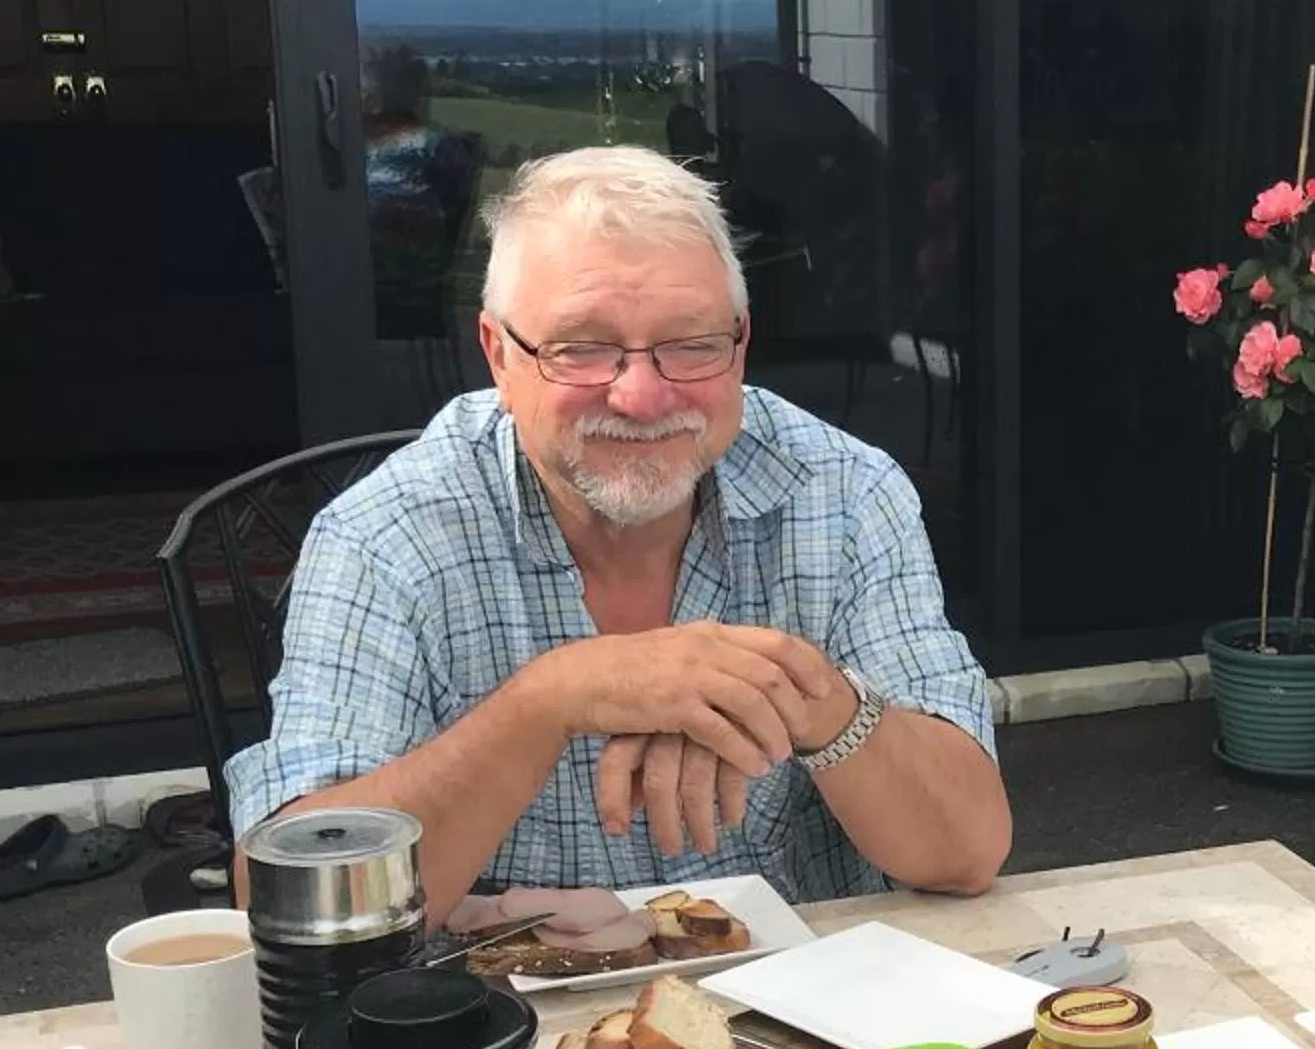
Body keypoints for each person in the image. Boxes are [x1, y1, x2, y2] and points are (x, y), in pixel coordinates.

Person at [228, 145, 1009, 918]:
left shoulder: (843, 494)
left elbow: (968, 850)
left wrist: (809, 700)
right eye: (582, 348)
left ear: (740, 345)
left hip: (811, 1016)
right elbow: (299, 905)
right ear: (499, 354)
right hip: (501, 1021)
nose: (642, 396)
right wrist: (553, 699)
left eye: (692, 343)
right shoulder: (389, 536)